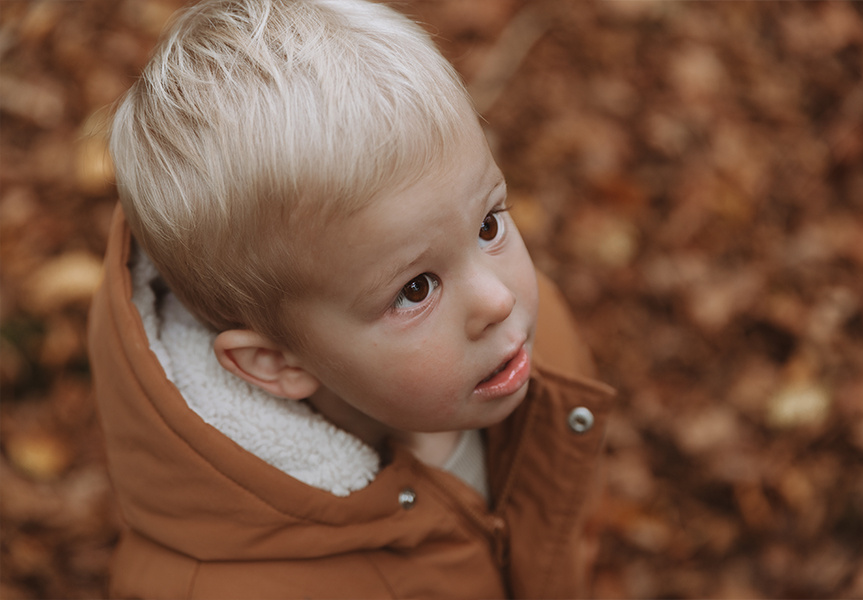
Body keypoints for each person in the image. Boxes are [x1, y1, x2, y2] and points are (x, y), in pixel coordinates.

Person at [88, 0, 616, 597]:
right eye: (416, 289)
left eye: (488, 225)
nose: (498, 299)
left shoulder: (533, 348)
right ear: (277, 363)